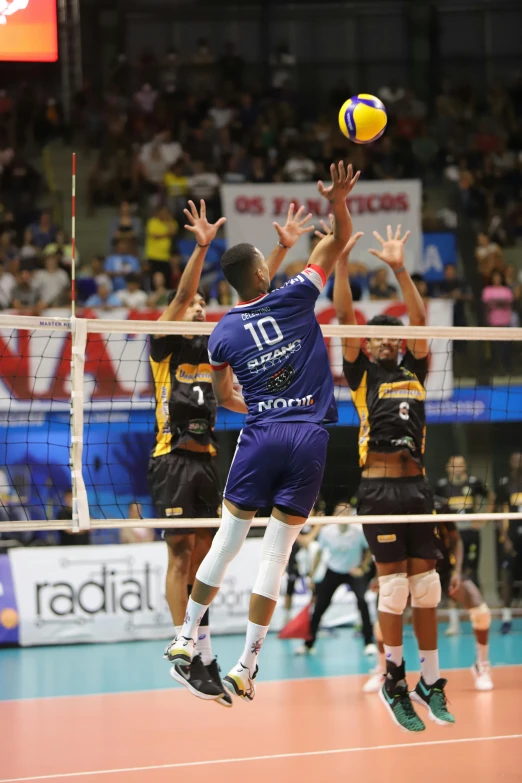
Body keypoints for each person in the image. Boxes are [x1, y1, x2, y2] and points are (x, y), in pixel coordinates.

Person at [168, 162, 359, 704]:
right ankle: (246, 664)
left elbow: (225, 394)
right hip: (309, 437)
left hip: (260, 433)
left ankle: (186, 637)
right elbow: (340, 240)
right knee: (275, 554)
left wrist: (256, 401)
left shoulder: (222, 331)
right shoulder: (296, 294)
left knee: (226, 544)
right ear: (264, 273)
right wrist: (339, 200)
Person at [335, 224, 454, 731]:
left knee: (427, 587)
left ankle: (430, 679)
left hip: (417, 485)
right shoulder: (364, 374)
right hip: (379, 487)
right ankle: (393, 679)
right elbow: (343, 316)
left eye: (392, 334)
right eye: (377, 334)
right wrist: (341, 261)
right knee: (393, 591)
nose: (386, 339)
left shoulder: (416, 369)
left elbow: (422, 319)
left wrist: (400, 267)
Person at [148, 199, 228, 705]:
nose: (198, 308)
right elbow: (180, 295)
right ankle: (183, 650)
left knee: (206, 562)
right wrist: (201, 248)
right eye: (193, 306)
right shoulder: (165, 345)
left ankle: (203, 651)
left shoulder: (212, 353)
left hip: (208, 459)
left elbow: (233, 396)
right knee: (180, 555)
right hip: (172, 458)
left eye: (203, 306)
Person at [364, 522, 493, 693]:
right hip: (411, 574)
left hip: (445, 573)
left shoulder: (440, 506)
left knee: (482, 613)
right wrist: (378, 576)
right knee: (381, 624)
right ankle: (383, 670)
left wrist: (457, 572)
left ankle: (481, 666)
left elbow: (457, 540)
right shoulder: (401, 506)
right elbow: (388, 547)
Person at [295, 501, 375, 656]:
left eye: (346, 512)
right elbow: (319, 553)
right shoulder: (327, 531)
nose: (343, 514)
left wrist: (362, 568)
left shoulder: (359, 531)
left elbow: (369, 549)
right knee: (319, 607)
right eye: (340, 511)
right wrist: (312, 575)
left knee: (362, 603)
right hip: (333, 571)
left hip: (353, 572)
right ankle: (308, 644)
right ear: (335, 514)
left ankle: (369, 643)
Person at [434, 455, 487, 634]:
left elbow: (491, 497)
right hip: (451, 536)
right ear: (448, 467)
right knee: (452, 575)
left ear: (465, 467)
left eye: (461, 465)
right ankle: (454, 622)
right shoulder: (441, 485)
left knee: (471, 573)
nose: (457, 468)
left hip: (470, 534)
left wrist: (481, 521)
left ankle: (478, 617)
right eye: (453, 465)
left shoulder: (474, 482)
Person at [493, 452, 522, 634]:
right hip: (512, 538)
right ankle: (506, 618)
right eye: (515, 459)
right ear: (510, 463)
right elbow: (497, 513)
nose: (518, 462)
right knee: (507, 578)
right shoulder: (505, 484)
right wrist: (505, 538)